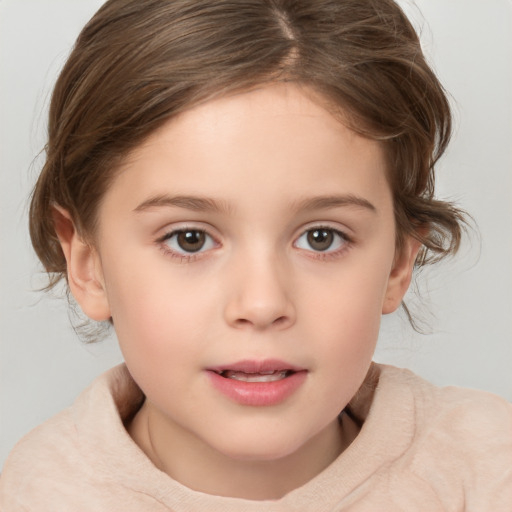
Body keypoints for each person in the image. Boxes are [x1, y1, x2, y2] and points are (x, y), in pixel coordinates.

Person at [1, 0, 510, 509]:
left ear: (398, 261)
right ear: (87, 263)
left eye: (321, 238)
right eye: (190, 239)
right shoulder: (37, 494)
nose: (262, 304)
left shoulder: (485, 472)